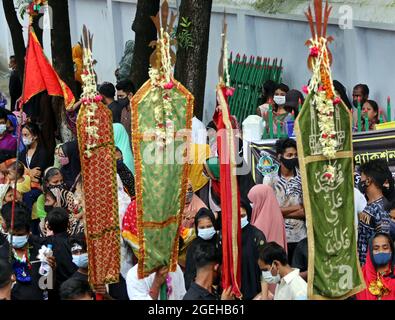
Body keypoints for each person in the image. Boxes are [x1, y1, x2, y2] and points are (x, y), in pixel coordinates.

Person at [0, 202, 56, 300]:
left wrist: (52, 270)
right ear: (7, 230)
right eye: (13, 234)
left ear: (28, 232)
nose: (16, 238)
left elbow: (49, 286)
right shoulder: (1, 255)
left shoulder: (42, 252)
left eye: (20, 234)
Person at [270, 138, 306, 262]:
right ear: (280, 157)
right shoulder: (270, 179)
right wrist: (298, 207)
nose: (293, 158)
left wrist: (280, 211)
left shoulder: (303, 178)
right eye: (289, 155)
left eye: (295, 155)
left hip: (301, 238)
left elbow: (306, 212)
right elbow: (270, 212)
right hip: (279, 238)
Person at [358, 159, 391, 265]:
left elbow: (383, 249)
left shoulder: (381, 209)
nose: (359, 180)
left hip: (373, 274)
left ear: (368, 180)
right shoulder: (370, 204)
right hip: (364, 270)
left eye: (361, 177)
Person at [45, 208, 78, 299]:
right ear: (68, 224)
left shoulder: (45, 245)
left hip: (55, 292)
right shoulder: (76, 244)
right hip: (75, 290)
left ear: (49, 226)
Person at [184, 208, 220, 290]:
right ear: (197, 228)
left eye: (209, 226)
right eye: (202, 228)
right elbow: (189, 278)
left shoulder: (221, 243)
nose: (206, 229)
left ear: (214, 225)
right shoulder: (193, 248)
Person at [240, 200, 266, 300]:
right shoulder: (224, 235)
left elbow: (265, 268)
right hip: (230, 293)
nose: (239, 219)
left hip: (254, 291)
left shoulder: (257, 235)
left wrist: (263, 296)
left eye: (242, 216)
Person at [248, 184, 287, 251]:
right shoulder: (278, 217)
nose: (251, 205)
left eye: (253, 201)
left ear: (260, 200)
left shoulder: (259, 225)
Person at [356, 233, 395, 300]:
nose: (381, 251)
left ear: (391, 250)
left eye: (385, 248)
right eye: (376, 248)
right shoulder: (359, 276)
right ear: (370, 252)